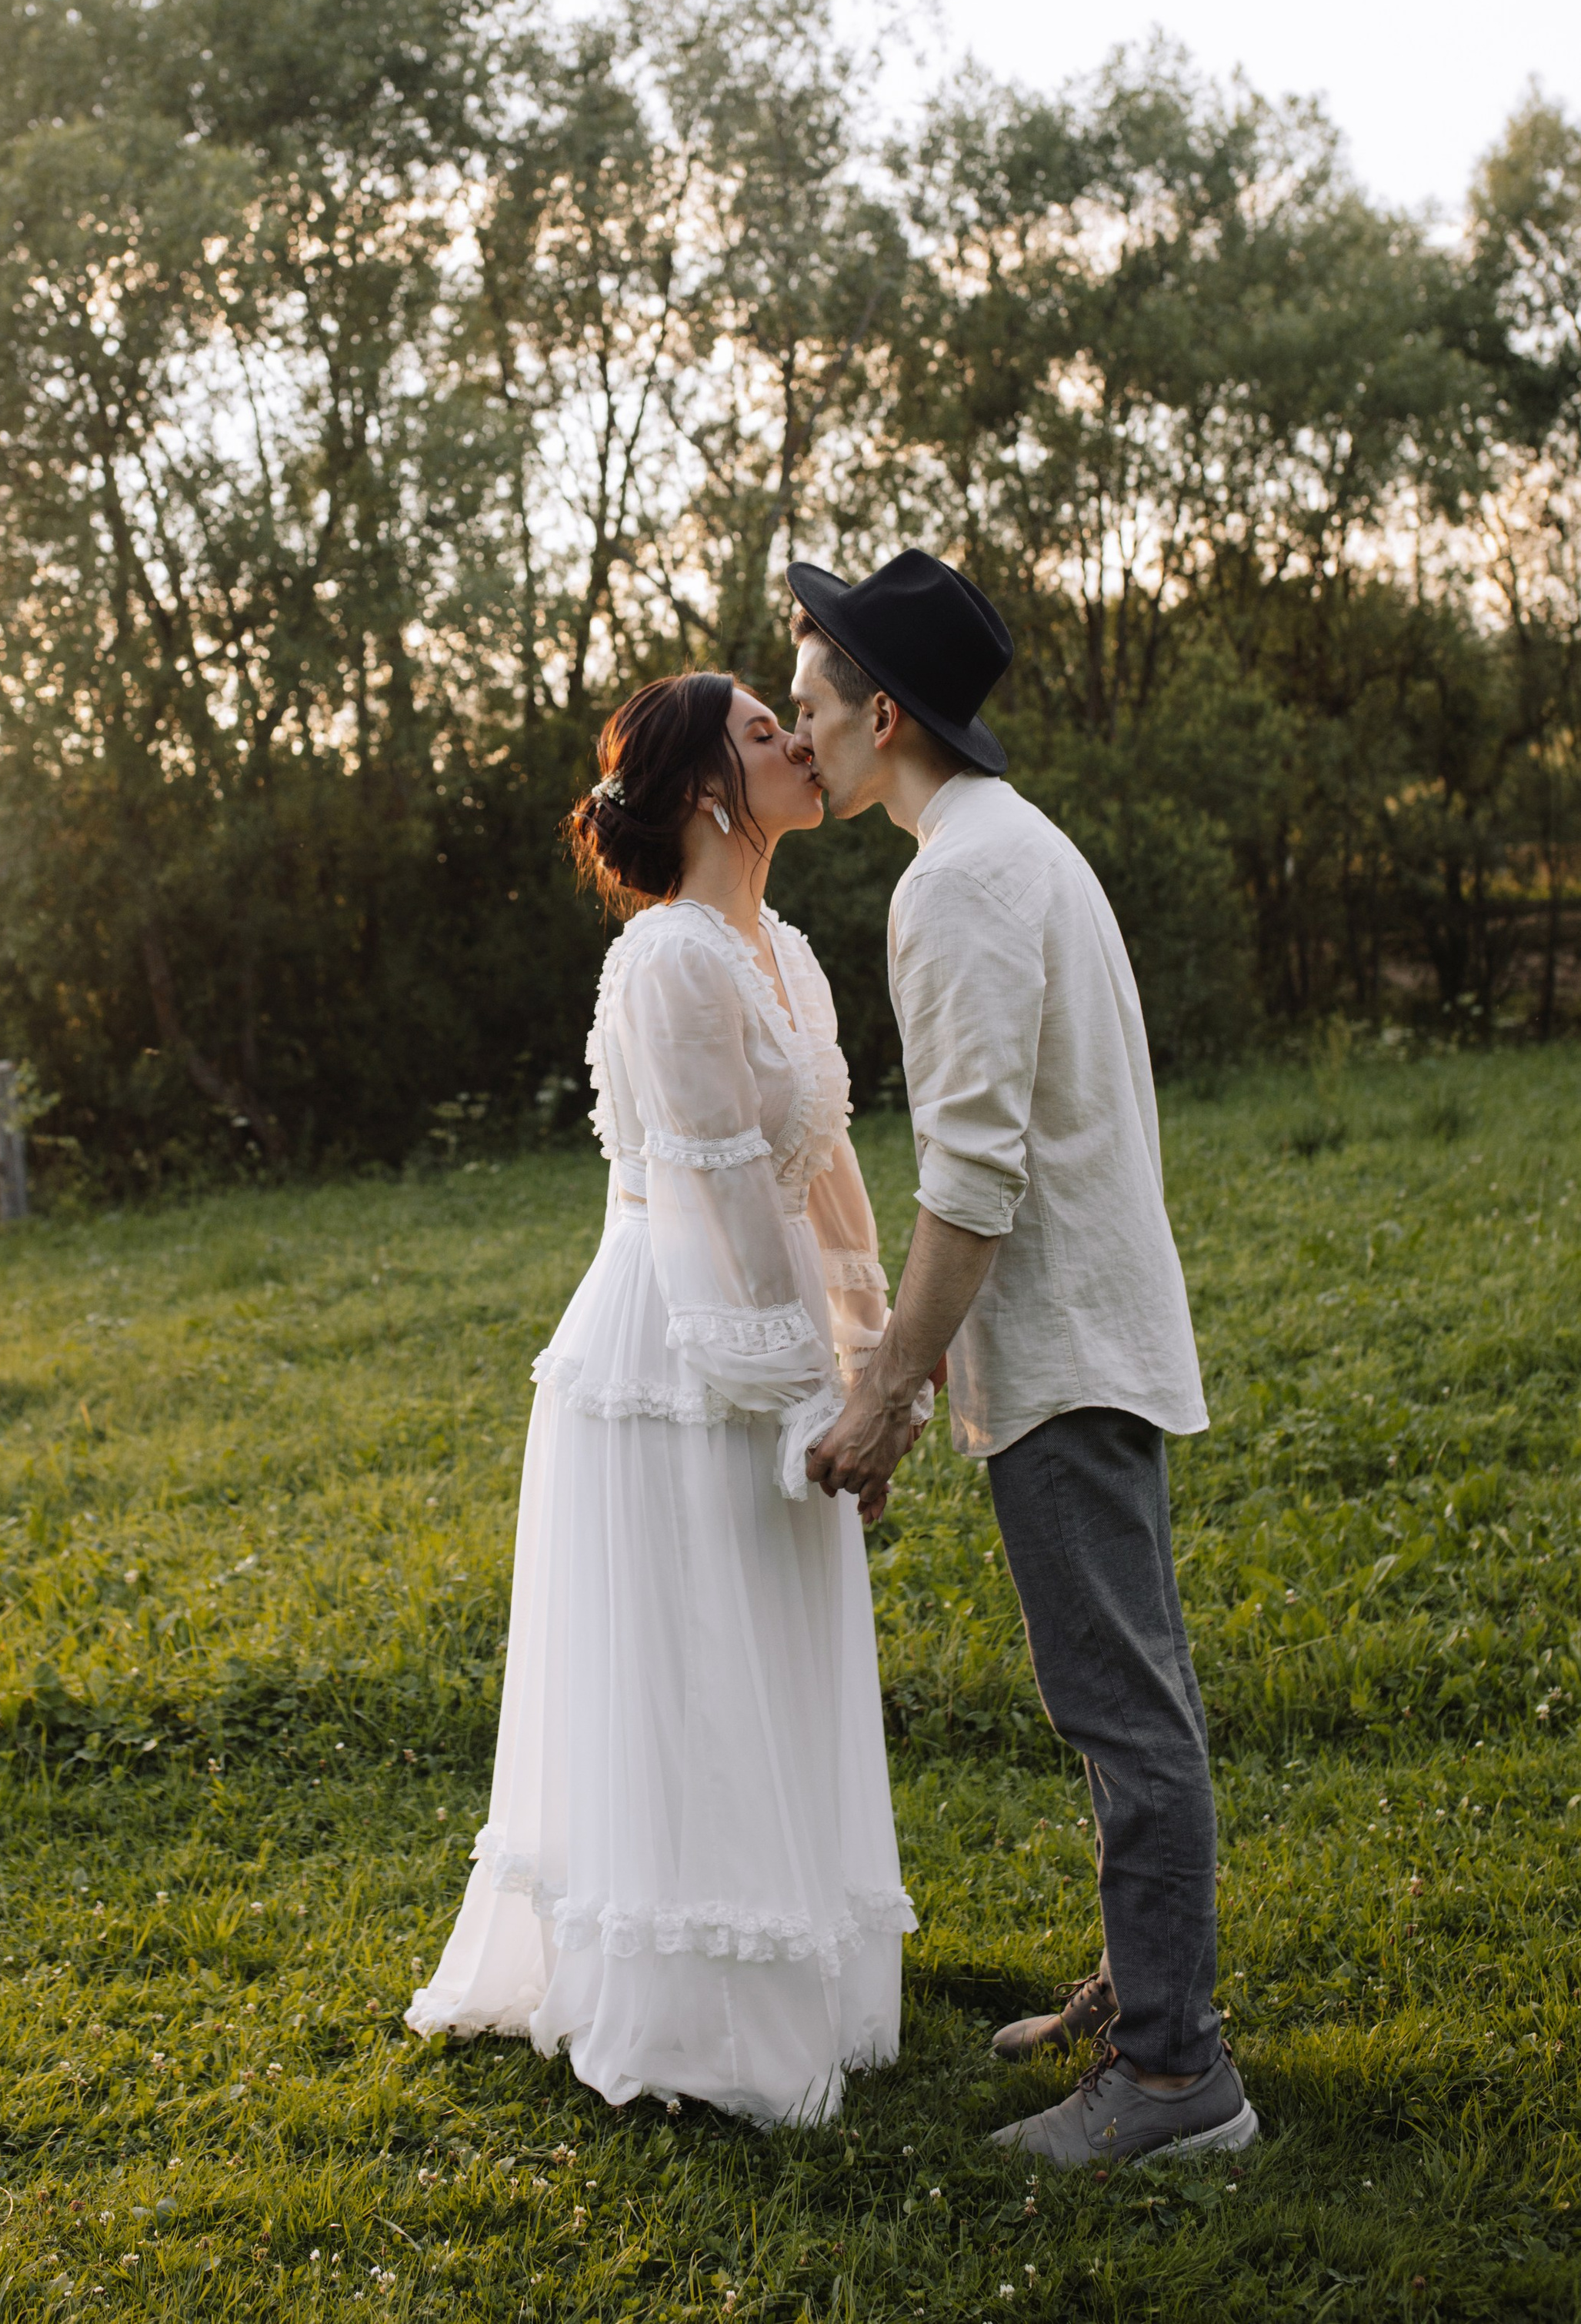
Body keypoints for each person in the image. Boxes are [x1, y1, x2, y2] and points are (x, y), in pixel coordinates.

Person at [784, 549, 1259, 2170]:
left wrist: (884, 1393)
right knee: (1132, 1696)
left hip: (1061, 1352)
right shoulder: (1001, 845)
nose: (800, 739)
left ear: (884, 713)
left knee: (1120, 1713)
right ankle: (1145, 1991)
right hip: (1085, 1337)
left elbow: (971, 1179)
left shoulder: (959, 881)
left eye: (811, 709)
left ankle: (1177, 2078)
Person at [406, 670, 921, 2126]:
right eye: (767, 734)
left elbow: (822, 1167)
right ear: (709, 788)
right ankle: (696, 2010)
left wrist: (872, 1351)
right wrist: (798, 1391)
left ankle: (797, 1962)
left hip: (766, 1326)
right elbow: (709, 1201)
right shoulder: (673, 961)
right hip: (675, 1345)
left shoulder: (789, 954)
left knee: (770, 1641)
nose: (802, 745)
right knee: (698, 1649)